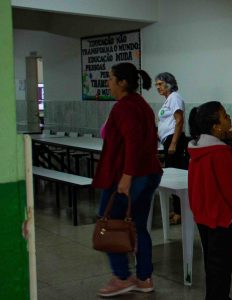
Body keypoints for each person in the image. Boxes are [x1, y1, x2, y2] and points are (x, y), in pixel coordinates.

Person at [92, 62, 163, 297]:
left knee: (109, 222)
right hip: (148, 173)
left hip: (131, 176)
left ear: (122, 82)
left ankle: (122, 277)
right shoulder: (140, 104)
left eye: (111, 79)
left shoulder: (124, 107)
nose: (108, 83)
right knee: (138, 226)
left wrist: (126, 177)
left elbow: (132, 143)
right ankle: (144, 278)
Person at [187, 101, 232, 300]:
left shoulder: (196, 150)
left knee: (211, 263)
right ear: (216, 126)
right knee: (222, 265)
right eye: (225, 115)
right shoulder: (221, 153)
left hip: (203, 217)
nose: (229, 117)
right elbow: (231, 189)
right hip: (221, 218)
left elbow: (193, 186)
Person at [155, 72, 187, 224]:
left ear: (169, 84)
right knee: (172, 177)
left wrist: (173, 143)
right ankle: (177, 210)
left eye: (160, 84)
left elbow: (179, 121)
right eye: (156, 85)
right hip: (167, 141)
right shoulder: (168, 100)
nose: (158, 87)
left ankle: (181, 213)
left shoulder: (175, 97)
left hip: (174, 142)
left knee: (176, 178)